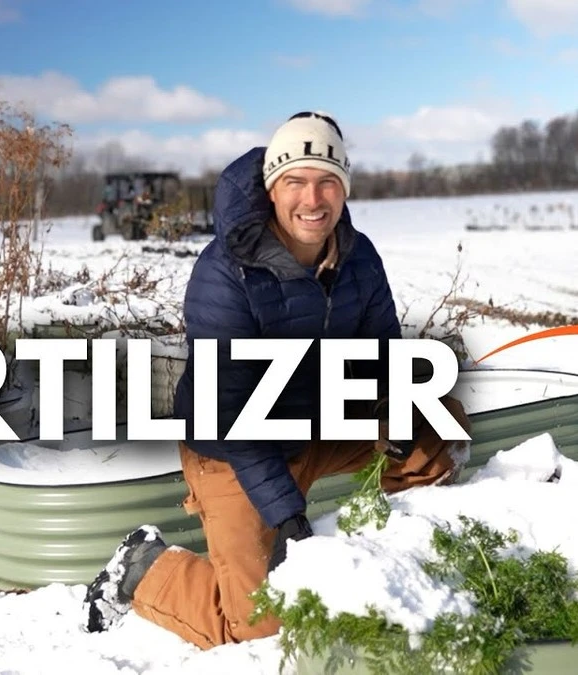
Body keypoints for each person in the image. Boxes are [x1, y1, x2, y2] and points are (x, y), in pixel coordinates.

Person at [81, 111, 473, 648]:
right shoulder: (224, 271)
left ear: (344, 188)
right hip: (235, 448)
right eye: (295, 182)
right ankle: (145, 571)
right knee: (263, 624)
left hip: (319, 421)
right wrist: (285, 513)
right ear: (272, 189)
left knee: (438, 422)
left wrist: (399, 410)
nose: (313, 200)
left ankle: (390, 550)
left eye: (328, 181)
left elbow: (383, 354)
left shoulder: (359, 257)